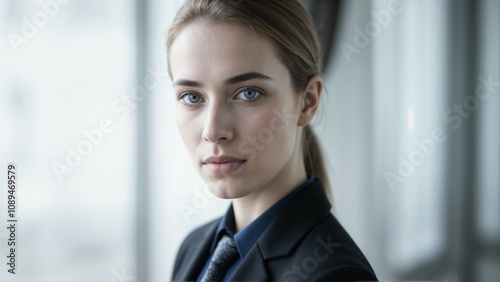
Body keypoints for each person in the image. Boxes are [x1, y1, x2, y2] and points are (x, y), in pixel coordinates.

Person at [166, 0, 378, 281]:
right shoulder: (194, 248)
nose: (213, 130)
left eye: (248, 93)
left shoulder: (335, 274)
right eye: (192, 97)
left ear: (307, 102)